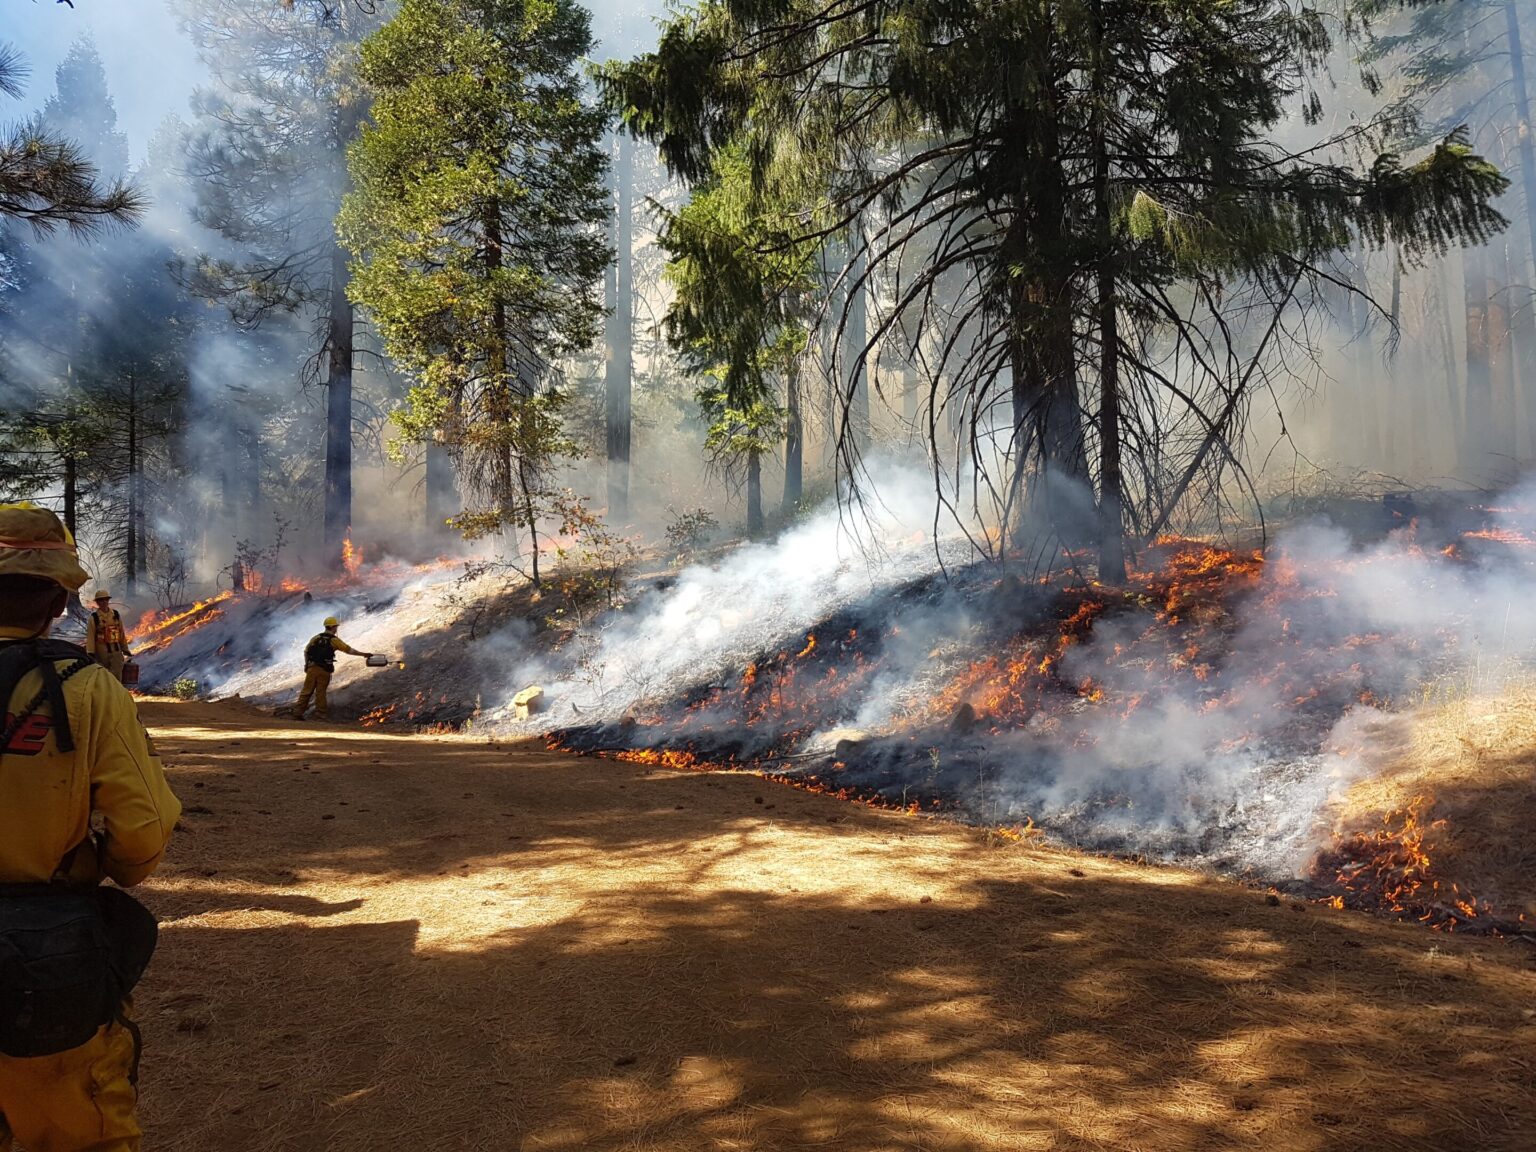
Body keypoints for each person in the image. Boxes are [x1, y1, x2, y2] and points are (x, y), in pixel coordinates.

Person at [0, 502, 180, 1152]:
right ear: (59, 601)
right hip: (41, 964)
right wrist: (110, 864)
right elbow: (145, 829)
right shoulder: (86, 689)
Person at [291, 617, 374, 721]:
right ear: (332, 627)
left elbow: (306, 651)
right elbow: (349, 650)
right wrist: (363, 654)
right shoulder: (334, 640)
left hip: (312, 668)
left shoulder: (316, 638)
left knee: (306, 691)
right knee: (320, 693)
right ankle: (321, 715)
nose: (336, 629)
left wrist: (306, 665)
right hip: (324, 669)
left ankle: (297, 713)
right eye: (335, 627)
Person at [84, 589, 133, 684]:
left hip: (116, 652)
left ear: (108, 600)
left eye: (105, 599)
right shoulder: (94, 618)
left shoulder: (115, 614)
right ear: (97, 602)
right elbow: (90, 637)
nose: (104, 602)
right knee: (105, 679)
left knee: (117, 678)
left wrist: (125, 649)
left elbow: (121, 633)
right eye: (101, 600)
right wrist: (91, 653)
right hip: (102, 653)